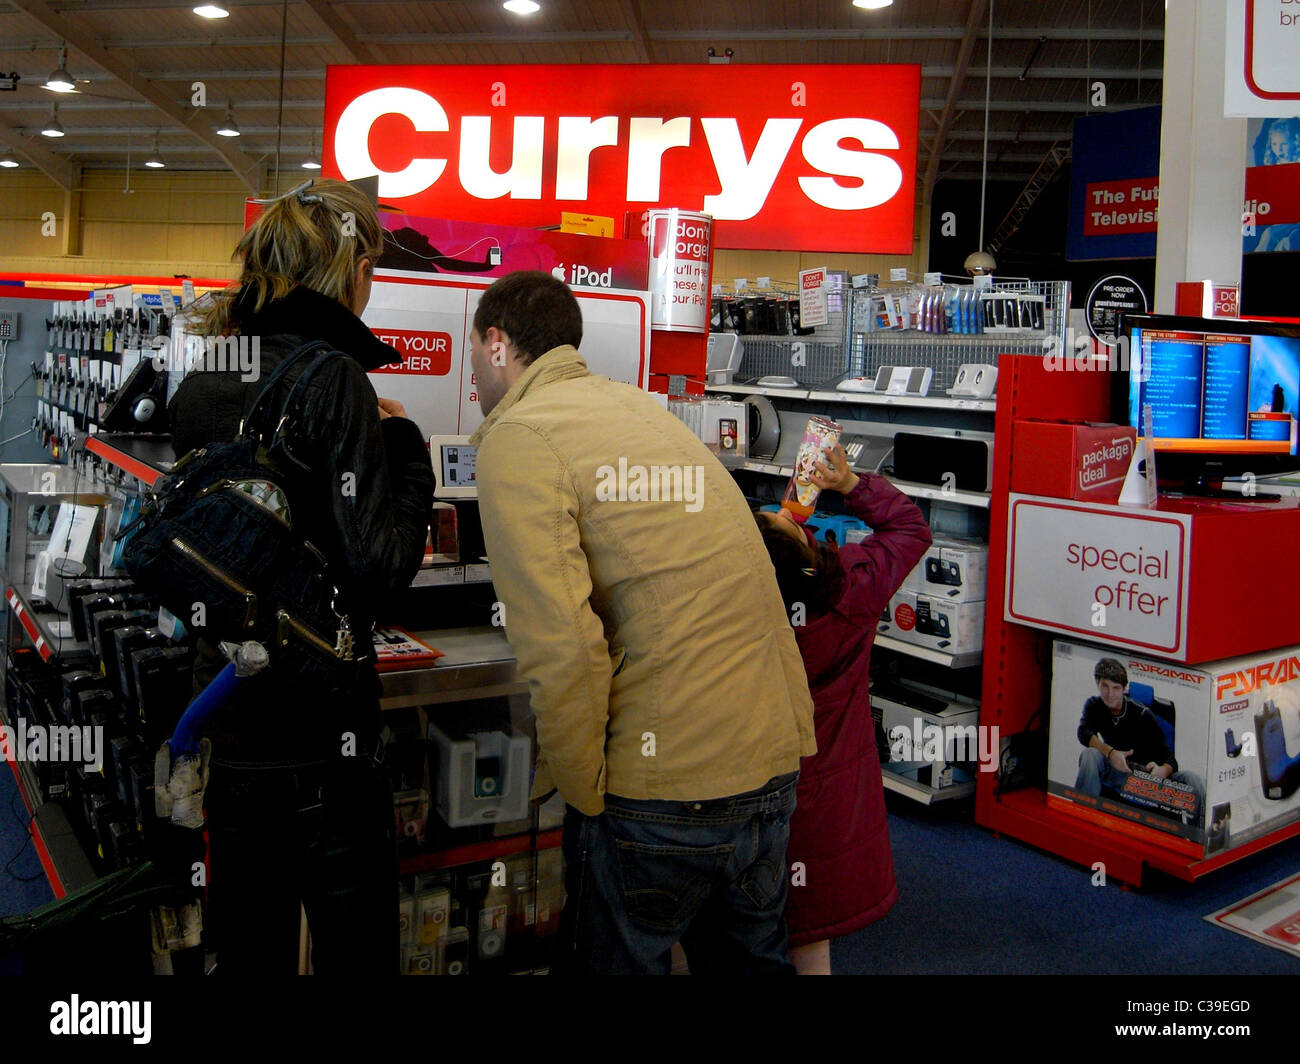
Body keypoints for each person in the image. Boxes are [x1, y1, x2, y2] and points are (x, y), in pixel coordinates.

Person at [466, 270, 816, 975]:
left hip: (663, 787)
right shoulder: (644, 412)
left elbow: (563, 649)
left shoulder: (520, 439)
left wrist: (583, 789)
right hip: (769, 762)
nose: (473, 377)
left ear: (497, 344)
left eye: (473, 353)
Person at [169, 178, 434, 974]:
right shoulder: (334, 379)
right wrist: (406, 447)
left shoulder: (211, 372)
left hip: (227, 721)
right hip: (325, 742)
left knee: (249, 949)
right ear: (351, 270)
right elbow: (381, 570)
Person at [754, 447, 931, 974]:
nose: (787, 510)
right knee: (810, 937)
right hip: (826, 801)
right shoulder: (852, 586)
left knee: (706, 932)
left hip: (744, 793)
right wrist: (852, 484)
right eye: (782, 521)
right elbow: (908, 529)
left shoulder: (735, 613)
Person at [1074, 657, 1205, 821]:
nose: (1110, 694)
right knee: (1090, 755)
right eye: (1104, 686)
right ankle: (1081, 819)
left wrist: (1162, 770)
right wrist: (1110, 753)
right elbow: (1084, 731)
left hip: (1146, 781)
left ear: (1124, 689)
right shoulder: (1095, 705)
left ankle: (1195, 841)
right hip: (1118, 775)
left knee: (1194, 780)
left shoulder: (1143, 714)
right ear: (1098, 684)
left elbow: (1169, 757)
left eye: (1116, 688)